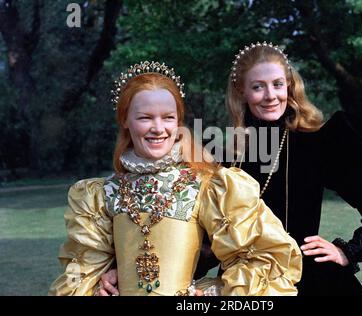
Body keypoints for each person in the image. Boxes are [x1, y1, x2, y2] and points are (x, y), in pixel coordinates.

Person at [48, 60, 302, 296]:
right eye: (145, 117)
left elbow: (264, 256)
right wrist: (101, 281)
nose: (158, 128)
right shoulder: (100, 194)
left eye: (168, 117)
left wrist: (216, 292)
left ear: (178, 120)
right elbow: (81, 272)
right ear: (125, 119)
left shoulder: (208, 185)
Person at [222, 41, 362, 295]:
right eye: (258, 87)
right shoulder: (227, 157)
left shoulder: (317, 143)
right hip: (240, 285)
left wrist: (349, 250)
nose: (271, 95)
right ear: (241, 92)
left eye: (278, 84)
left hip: (308, 281)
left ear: (290, 86)